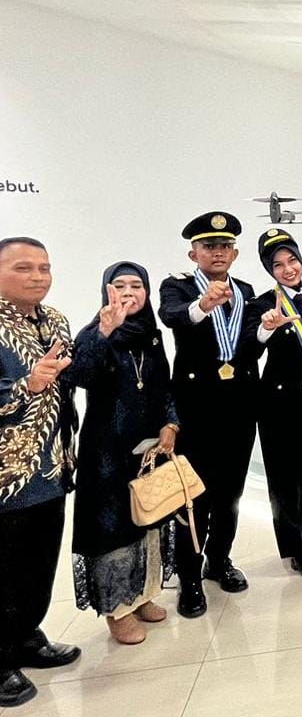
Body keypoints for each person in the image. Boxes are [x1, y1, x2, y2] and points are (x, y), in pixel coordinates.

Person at [158, 211, 260, 617]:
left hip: (240, 406)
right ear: (193, 253)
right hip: (197, 409)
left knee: (231, 493)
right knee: (194, 496)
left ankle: (219, 560)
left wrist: (265, 330)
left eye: (224, 246)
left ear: (234, 254)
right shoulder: (177, 287)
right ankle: (189, 576)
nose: (218, 252)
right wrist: (202, 305)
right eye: (209, 246)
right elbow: (172, 316)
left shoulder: (246, 290)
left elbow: (248, 343)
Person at [70, 262, 177, 644]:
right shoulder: (94, 333)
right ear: (106, 291)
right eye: (120, 285)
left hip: (148, 450)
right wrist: (105, 330)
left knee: (148, 523)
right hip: (107, 453)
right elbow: (78, 375)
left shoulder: (152, 335)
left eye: (137, 285)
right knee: (113, 529)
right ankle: (118, 609)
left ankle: (143, 594)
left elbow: (164, 386)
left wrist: (171, 423)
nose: (129, 292)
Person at [0, 237, 80, 708]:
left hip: (51, 466)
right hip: (6, 476)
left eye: (44, 268)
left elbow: (70, 380)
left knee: (39, 561)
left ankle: (26, 636)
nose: (37, 277)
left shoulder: (55, 321)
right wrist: (25, 385)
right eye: (23, 267)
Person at [249, 228, 302, 583]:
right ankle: (299, 550)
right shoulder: (262, 305)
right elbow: (249, 348)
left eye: (293, 260)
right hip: (279, 405)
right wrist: (265, 329)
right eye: (278, 265)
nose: (288, 269)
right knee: (285, 483)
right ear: (269, 270)